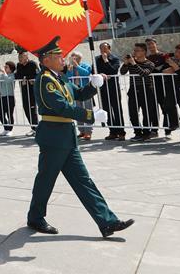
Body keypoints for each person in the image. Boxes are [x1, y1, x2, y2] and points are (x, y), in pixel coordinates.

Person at [26, 37, 134, 238]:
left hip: (66, 137)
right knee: (46, 180)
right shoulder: (45, 80)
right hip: (54, 137)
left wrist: (94, 85)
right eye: (58, 56)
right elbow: (61, 107)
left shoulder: (60, 78)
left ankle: (107, 222)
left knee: (84, 181)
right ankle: (35, 217)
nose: (62, 59)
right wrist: (91, 116)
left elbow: (79, 94)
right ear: (46, 60)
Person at [120, 44, 159, 141]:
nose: (135, 52)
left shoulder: (150, 64)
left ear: (144, 52)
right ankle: (137, 132)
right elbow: (122, 72)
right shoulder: (131, 63)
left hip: (146, 90)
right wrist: (125, 63)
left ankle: (146, 133)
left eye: (137, 50)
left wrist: (134, 64)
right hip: (133, 90)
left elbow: (144, 73)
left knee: (147, 112)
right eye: (135, 50)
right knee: (132, 112)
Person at [95, 43, 124, 139]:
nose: (103, 51)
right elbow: (93, 71)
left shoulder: (115, 59)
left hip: (113, 87)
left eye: (105, 48)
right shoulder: (97, 59)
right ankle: (112, 131)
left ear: (109, 49)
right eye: (101, 49)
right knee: (106, 110)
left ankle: (121, 132)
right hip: (103, 88)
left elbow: (113, 71)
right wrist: (101, 74)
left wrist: (106, 60)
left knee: (117, 109)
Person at [67, 53, 93, 140]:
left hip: (85, 91)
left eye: (75, 57)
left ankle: (88, 131)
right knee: (78, 111)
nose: (73, 59)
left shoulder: (85, 65)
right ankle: (81, 131)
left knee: (88, 111)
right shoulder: (70, 67)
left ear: (79, 58)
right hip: (75, 91)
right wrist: (70, 70)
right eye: (72, 57)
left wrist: (77, 66)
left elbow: (86, 73)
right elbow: (67, 77)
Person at [15, 52, 39, 134]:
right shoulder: (19, 65)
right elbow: (17, 75)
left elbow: (37, 74)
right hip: (24, 88)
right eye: (19, 57)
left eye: (21, 57)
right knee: (26, 108)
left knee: (32, 109)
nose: (20, 59)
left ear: (26, 56)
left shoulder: (32, 64)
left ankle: (36, 128)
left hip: (32, 89)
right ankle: (33, 127)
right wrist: (24, 78)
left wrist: (29, 79)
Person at [0, 62, 16, 134]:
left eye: (7, 67)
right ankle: (6, 128)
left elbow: (8, 80)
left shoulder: (12, 75)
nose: (5, 68)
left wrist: (4, 72)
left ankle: (10, 130)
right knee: (0, 113)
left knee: (9, 114)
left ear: (11, 69)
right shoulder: (2, 75)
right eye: (5, 66)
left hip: (10, 97)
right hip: (2, 97)